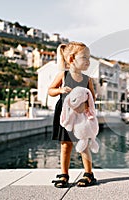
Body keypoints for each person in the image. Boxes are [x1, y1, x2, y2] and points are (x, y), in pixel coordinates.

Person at [48, 41, 97, 188]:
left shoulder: (87, 80)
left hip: (81, 117)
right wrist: (60, 90)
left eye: (89, 58)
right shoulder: (63, 75)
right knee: (65, 145)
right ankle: (64, 174)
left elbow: (92, 98)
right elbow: (51, 90)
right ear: (71, 59)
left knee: (83, 145)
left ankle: (89, 174)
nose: (88, 61)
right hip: (65, 114)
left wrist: (86, 106)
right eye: (85, 58)